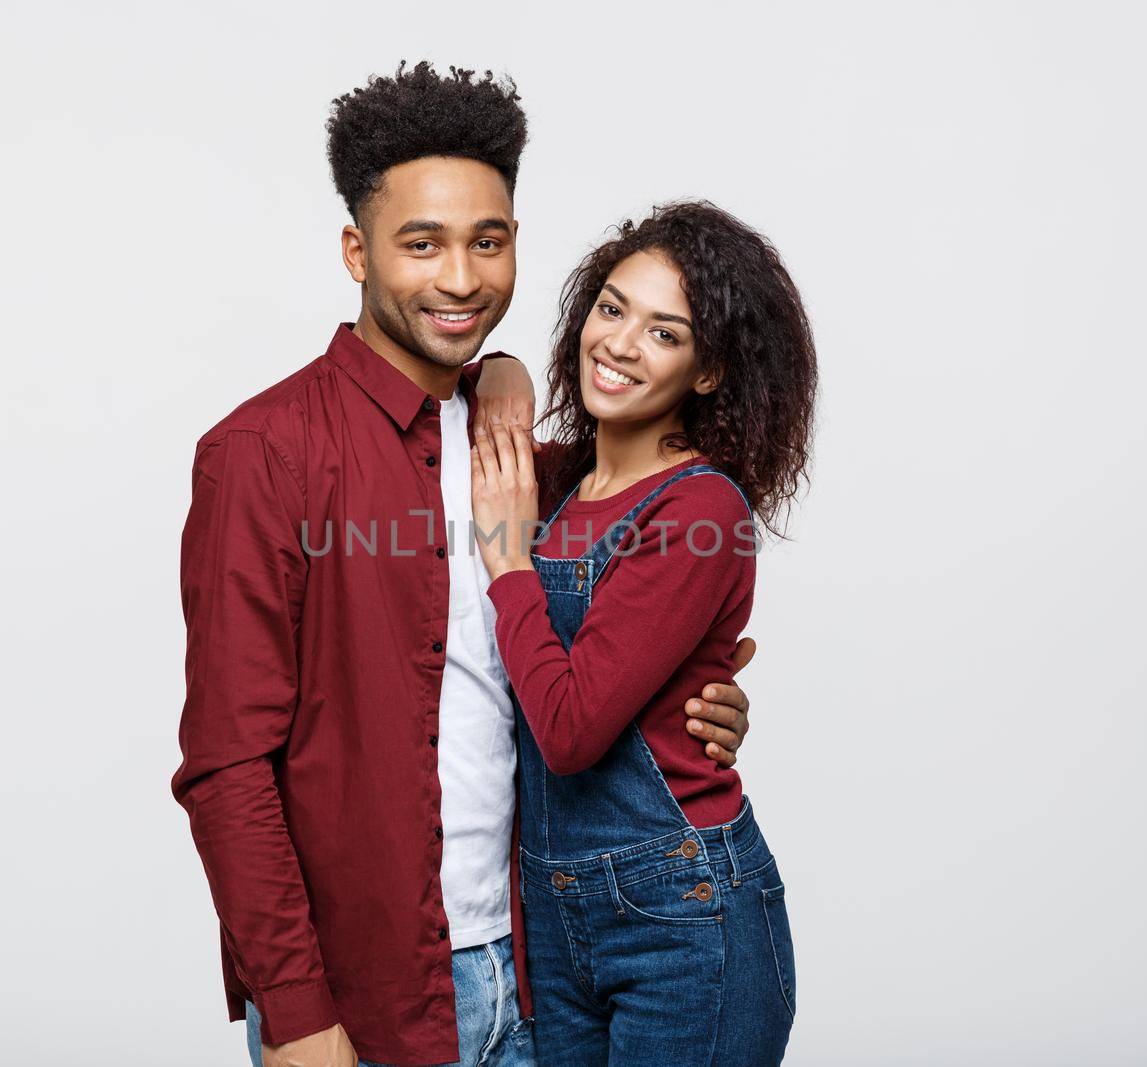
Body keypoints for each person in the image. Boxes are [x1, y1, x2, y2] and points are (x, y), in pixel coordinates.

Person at [171, 63, 762, 1067]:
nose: (459, 277)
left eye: (486, 241)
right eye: (421, 243)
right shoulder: (263, 452)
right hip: (370, 997)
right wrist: (296, 1005)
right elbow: (228, 763)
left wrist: (695, 707)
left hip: (547, 976)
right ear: (356, 250)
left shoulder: (533, 463)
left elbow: (613, 633)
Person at [470, 199, 818, 1064]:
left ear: (708, 373)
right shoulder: (556, 483)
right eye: (613, 307)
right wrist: (507, 368)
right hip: (554, 911)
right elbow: (478, 401)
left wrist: (512, 565)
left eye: (666, 333)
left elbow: (574, 729)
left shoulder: (702, 509)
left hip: (683, 916)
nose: (620, 343)